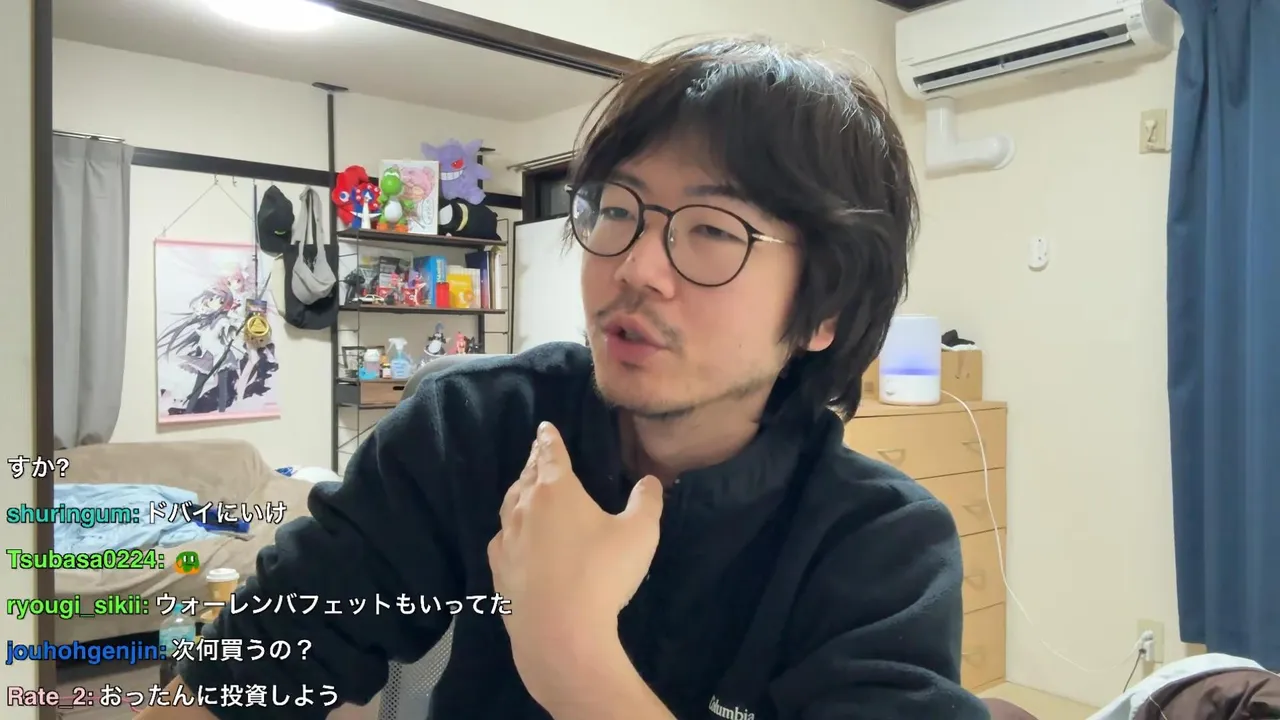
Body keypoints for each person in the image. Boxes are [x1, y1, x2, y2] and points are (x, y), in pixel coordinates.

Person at [140, 37, 990, 720]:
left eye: (711, 230)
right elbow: (243, 674)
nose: (636, 267)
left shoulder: (879, 546)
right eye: (618, 209)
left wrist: (568, 652)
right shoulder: (472, 430)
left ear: (823, 312)